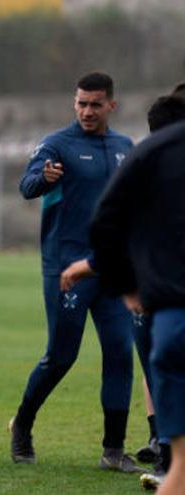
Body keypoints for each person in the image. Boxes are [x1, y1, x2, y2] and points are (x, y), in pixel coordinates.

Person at [9, 72, 144, 473]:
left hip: (111, 269)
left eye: (95, 104)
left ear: (111, 106)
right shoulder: (56, 145)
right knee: (61, 356)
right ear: (74, 103)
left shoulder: (125, 147)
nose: (87, 111)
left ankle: (113, 451)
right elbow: (26, 186)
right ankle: (23, 425)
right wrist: (42, 179)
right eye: (81, 103)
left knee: (120, 352)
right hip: (66, 266)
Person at [60, 91, 185, 485]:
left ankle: (165, 458)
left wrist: (118, 282)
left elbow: (110, 224)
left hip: (166, 311)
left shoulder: (145, 156)